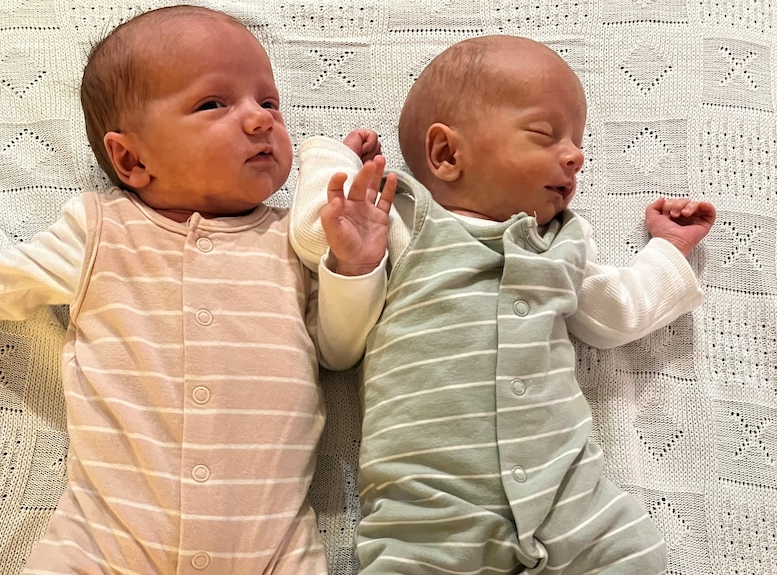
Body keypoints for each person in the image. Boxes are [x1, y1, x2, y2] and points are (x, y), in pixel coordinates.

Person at [0, 5, 383, 574]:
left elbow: (337, 351)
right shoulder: (101, 232)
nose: (261, 120)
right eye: (214, 103)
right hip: (104, 544)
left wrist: (353, 268)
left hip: (270, 549)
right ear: (131, 159)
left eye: (269, 102)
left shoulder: (291, 241)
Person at [290, 35, 716, 574]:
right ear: (446, 154)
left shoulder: (561, 241)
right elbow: (333, 326)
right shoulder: (401, 223)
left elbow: (615, 314)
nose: (576, 155)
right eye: (545, 135)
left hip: (567, 495)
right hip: (432, 510)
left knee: (634, 555)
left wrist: (669, 249)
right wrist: (338, 166)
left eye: (577, 144)